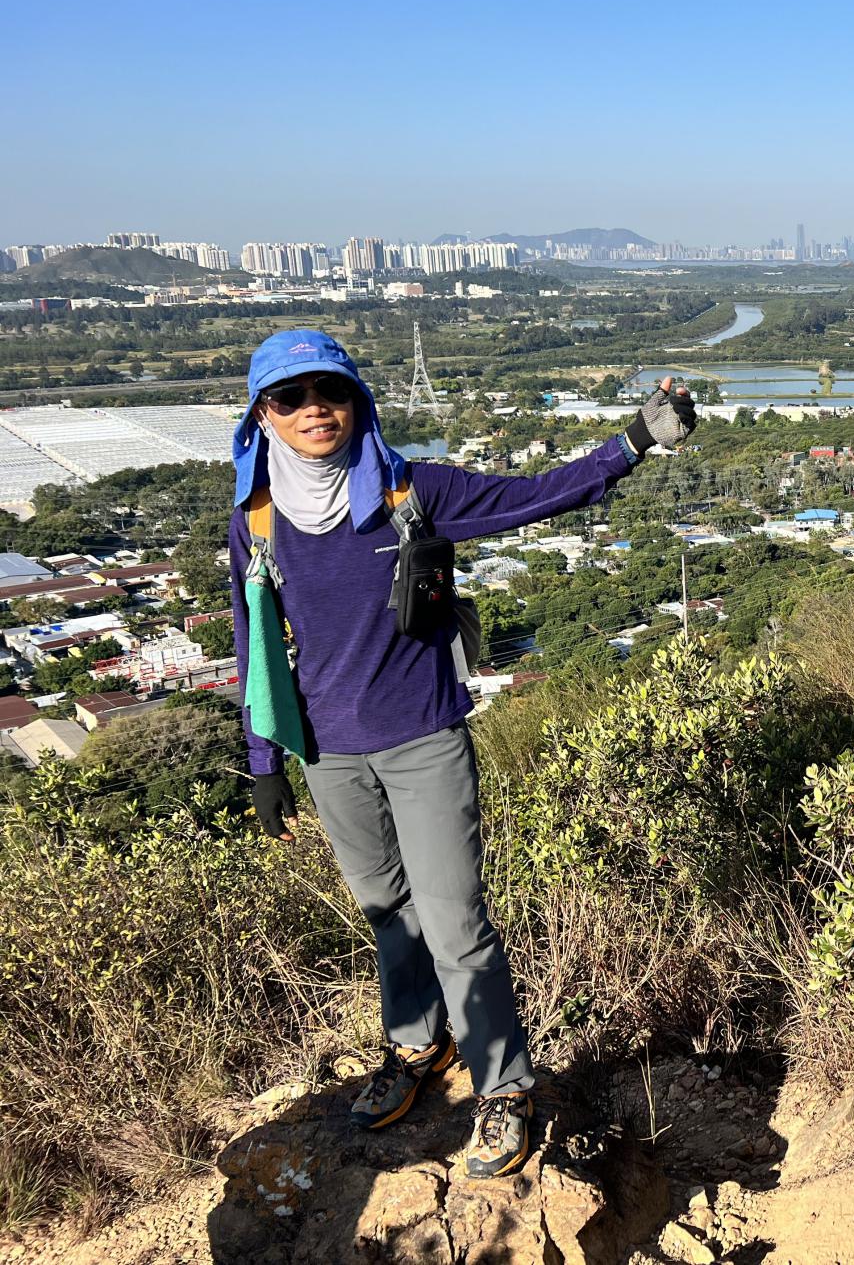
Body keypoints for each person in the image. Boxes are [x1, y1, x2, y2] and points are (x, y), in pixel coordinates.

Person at [228, 329, 695, 1178]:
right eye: (290, 397)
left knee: (454, 922)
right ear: (263, 416)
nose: (313, 410)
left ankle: (504, 1087)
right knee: (387, 912)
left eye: (330, 391)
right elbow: (254, 644)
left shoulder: (411, 491)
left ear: (358, 401)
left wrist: (634, 441)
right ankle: (418, 1046)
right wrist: (265, 764)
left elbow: (538, 496)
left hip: (423, 738)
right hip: (329, 753)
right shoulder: (256, 522)